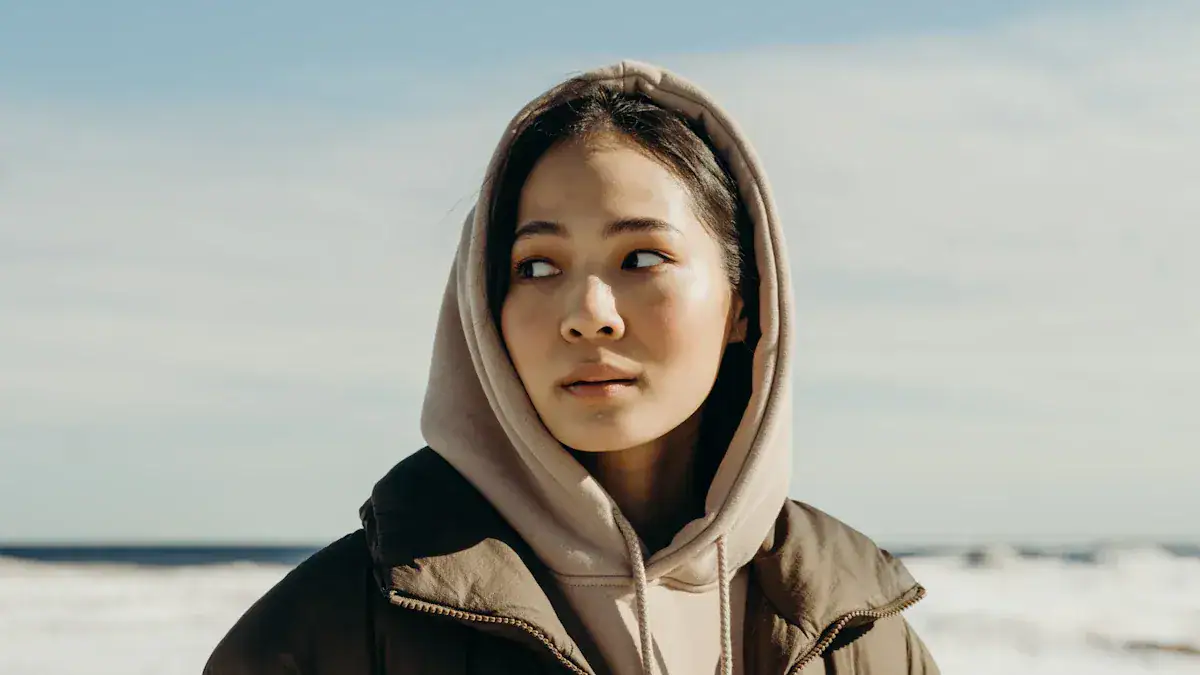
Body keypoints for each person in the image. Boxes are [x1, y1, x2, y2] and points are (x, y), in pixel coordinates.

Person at [203, 61, 939, 675]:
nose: (588, 313)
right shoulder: (325, 636)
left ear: (745, 305)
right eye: (537, 266)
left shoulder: (858, 629)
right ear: (483, 307)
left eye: (641, 257)